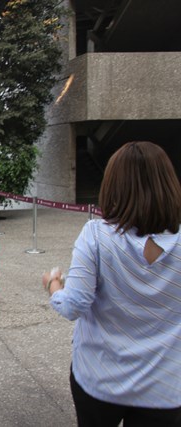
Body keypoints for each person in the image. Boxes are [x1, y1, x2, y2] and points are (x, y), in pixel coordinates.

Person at [42, 141, 181, 426]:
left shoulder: (96, 236)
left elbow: (73, 306)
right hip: (166, 385)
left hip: (100, 378)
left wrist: (53, 285)